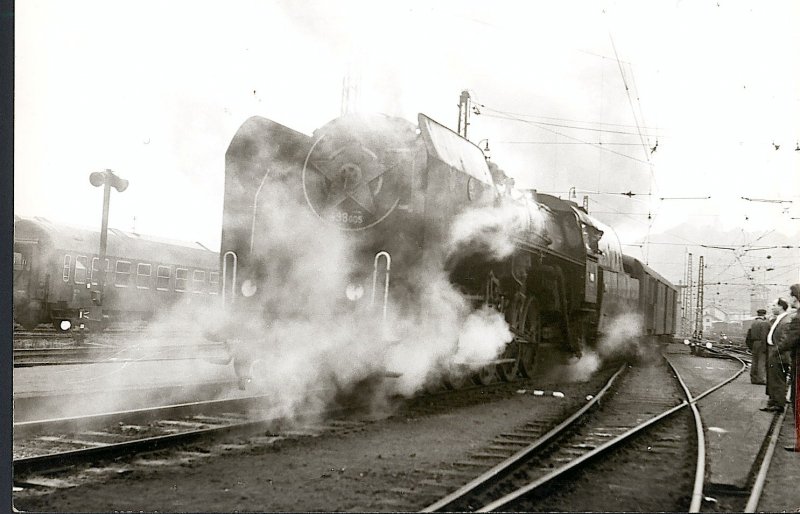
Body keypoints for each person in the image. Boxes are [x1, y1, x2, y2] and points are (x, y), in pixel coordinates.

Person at [777, 283, 800, 451]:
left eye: (791, 295)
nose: (790, 298)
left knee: (797, 402)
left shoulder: (798, 317)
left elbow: (790, 340)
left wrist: (777, 350)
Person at [763, 298, 793, 412]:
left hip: (779, 354)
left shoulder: (786, 321)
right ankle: (773, 402)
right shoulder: (779, 319)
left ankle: (778, 404)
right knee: (773, 378)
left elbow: (784, 340)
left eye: (774, 305)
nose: (772, 307)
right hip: (774, 352)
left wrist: (776, 351)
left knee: (778, 379)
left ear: (781, 307)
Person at [745, 308, 770, 384]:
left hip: (754, 343)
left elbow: (749, 335)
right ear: (764, 315)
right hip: (761, 343)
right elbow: (764, 335)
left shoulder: (754, 322)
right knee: (761, 361)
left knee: (755, 361)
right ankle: (761, 379)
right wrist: (765, 346)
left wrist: (750, 345)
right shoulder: (764, 323)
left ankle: (753, 378)